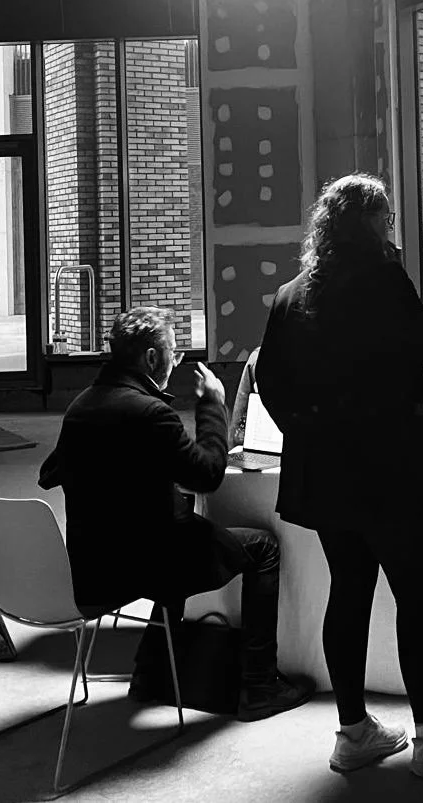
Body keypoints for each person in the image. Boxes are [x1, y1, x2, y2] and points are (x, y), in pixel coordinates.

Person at [255, 173, 423, 778]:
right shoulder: (384, 279)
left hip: (326, 473)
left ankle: (353, 730)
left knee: (349, 591)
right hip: (387, 471)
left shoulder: (291, 294)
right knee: (416, 596)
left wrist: (312, 435)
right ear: (376, 225)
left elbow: (271, 385)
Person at [37, 306, 311, 722]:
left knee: (168, 529)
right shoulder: (151, 413)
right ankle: (260, 685)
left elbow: (56, 471)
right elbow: (208, 475)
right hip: (146, 564)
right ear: (151, 359)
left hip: (94, 568)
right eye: (173, 352)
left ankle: (149, 674)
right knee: (264, 547)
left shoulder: (81, 406)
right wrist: (211, 405)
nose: (175, 361)